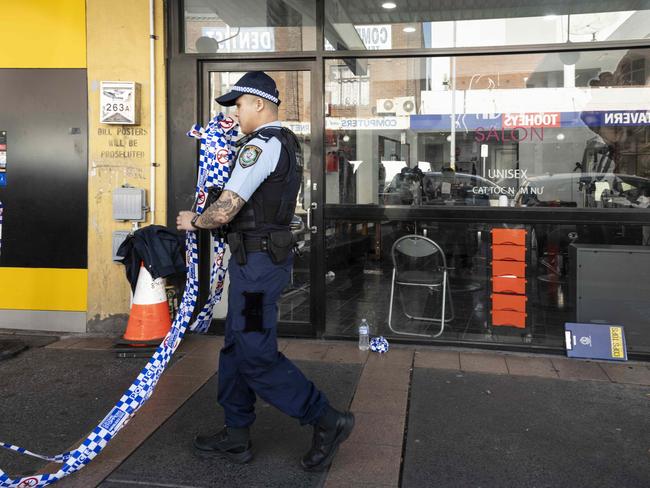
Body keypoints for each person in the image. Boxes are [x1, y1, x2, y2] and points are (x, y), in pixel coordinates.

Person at [176, 71, 354, 471]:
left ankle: (326, 419)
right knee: (237, 345)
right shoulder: (283, 141)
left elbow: (228, 206)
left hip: (257, 270)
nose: (235, 113)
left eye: (237, 105)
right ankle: (236, 435)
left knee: (254, 349)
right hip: (253, 263)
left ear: (258, 103)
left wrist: (196, 220)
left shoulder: (261, 145)